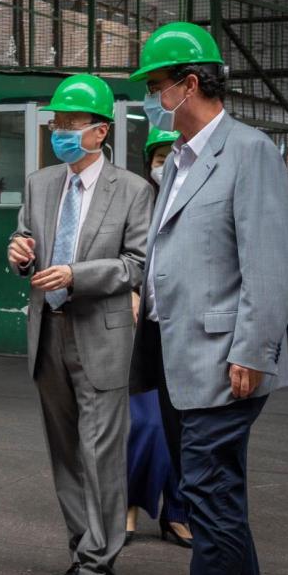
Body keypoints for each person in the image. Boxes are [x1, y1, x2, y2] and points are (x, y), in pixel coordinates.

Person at [127, 22, 288, 575]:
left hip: (225, 360)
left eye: (157, 87)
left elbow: (269, 265)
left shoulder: (247, 152)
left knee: (206, 493)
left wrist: (252, 352)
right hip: (176, 356)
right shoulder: (177, 160)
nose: (153, 100)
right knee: (216, 495)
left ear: (190, 84)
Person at [7, 74, 153, 575]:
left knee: (101, 454)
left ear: (100, 132)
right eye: (57, 123)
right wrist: (19, 253)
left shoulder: (133, 191)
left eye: (71, 124)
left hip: (101, 334)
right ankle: (83, 551)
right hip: (48, 332)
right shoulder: (41, 183)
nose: (60, 132)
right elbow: (25, 238)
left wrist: (77, 275)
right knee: (65, 451)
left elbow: (136, 265)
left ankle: (97, 564)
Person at [125, 127, 192, 549]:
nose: (165, 162)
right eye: (159, 154)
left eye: (173, 153)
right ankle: (126, 506)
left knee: (185, 430)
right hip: (139, 332)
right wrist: (129, 291)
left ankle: (177, 513)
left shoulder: (196, 200)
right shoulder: (135, 200)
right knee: (146, 424)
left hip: (186, 331)